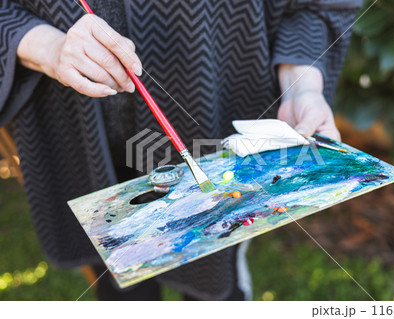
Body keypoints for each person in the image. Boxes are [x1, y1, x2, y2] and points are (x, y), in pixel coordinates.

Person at [0, 0, 361, 300]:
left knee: (217, 276)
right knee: (119, 281)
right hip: (75, 132)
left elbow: (318, 6)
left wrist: (302, 88)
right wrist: (49, 48)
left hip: (216, 115)